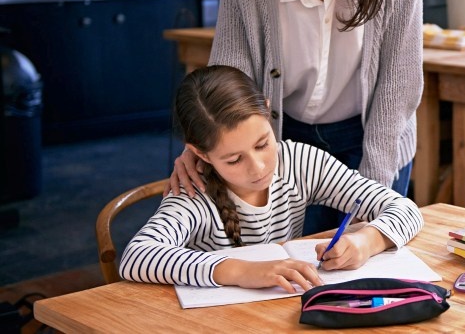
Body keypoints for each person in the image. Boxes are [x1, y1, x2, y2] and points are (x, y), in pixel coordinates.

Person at [168, 0, 424, 235]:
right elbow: (230, 70)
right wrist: (210, 141)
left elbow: (400, 76)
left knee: (365, 266)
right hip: (285, 140)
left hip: (374, 132)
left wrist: (374, 188)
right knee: (298, 268)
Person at [121, 65, 423, 290]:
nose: (258, 167)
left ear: (267, 111)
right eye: (234, 159)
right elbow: (137, 257)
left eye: (263, 144)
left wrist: (366, 241)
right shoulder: (193, 190)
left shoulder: (300, 162)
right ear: (200, 154)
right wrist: (240, 271)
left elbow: (405, 209)